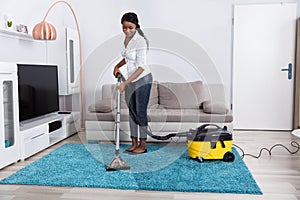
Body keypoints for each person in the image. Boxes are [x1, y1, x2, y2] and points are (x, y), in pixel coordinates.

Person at [113, 12, 152, 154]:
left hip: (142, 79)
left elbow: (141, 67)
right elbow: (127, 58)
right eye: (124, 27)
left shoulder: (140, 41)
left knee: (140, 112)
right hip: (130, 79)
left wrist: (124, 83)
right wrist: (117, 66)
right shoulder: (126, 39)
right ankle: (134, 143)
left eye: (130, 27)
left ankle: (143, 145)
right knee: (132, 112)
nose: (127, 30)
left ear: (136, 26)